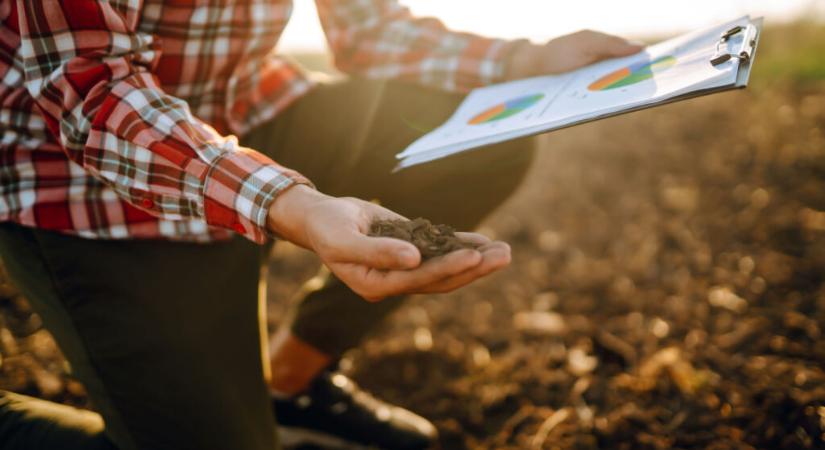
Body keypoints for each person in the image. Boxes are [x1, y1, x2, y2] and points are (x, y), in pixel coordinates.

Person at [0, 1, 642, 449]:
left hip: (246, 109)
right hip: (83, 179)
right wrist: (291, 203)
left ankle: (291, 381)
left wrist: (526, 58)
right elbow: (90, 87)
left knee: (480, 141)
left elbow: (364, 27)